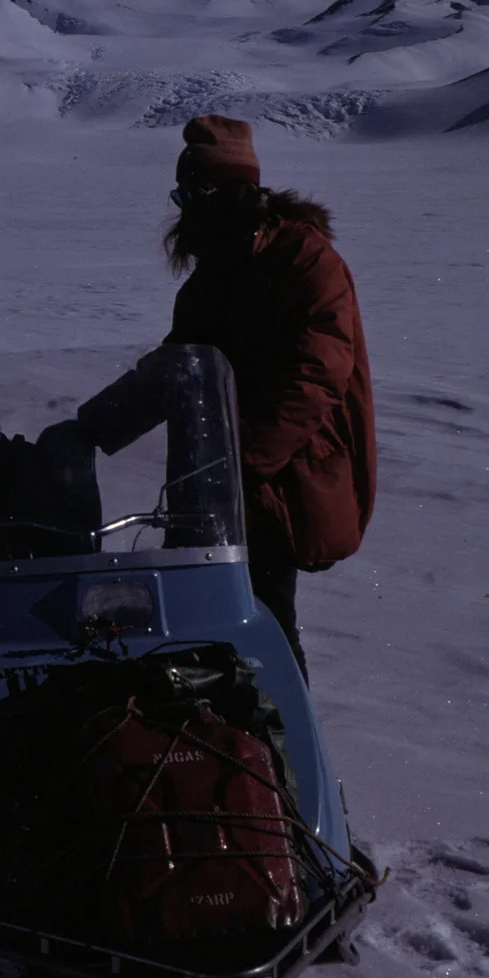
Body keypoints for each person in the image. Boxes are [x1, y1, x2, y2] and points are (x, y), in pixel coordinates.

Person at [163, 115, 376, 680]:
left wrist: (245, 462)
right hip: (212, 484)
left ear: (233, 190)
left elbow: (316, 374)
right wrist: (88, 426)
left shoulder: (304, 261)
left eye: (196, 192)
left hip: (274, 483)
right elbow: (177, 363)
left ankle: (288, 764)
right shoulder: (213, 273)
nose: (185, 207)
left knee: (264, 627)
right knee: (191, 628)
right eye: (182, 192)